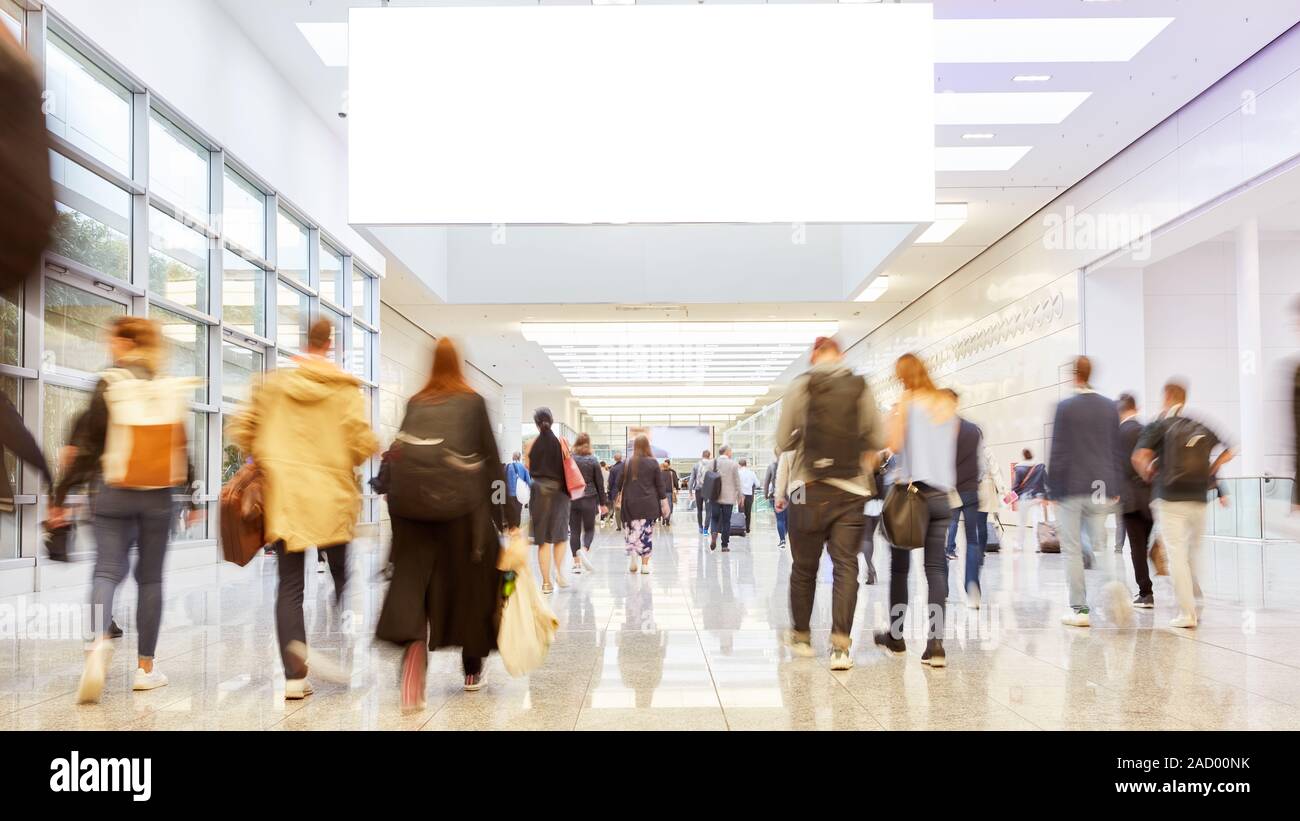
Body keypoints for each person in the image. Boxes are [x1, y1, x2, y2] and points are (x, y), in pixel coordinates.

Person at [48, 317, 202, 703]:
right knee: (150, 580)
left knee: (106, 570)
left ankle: (99, 643)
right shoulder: (167, 386)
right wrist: (193, 497)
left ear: (125, 342)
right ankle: (146, 669)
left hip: (111, 491)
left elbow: (87, 444)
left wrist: (62, 494)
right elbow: (182, 446)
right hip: (157, 496)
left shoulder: (110, 383)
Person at [228, 318, 378, 699]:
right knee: (344, 578)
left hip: (286, 499)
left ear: (304, 343)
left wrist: (267, 451)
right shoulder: (345, 390)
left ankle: (295, 677)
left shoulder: (273, 386)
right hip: (331, 499)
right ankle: (346, 651)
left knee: (291, 585)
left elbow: (242, 429)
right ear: (330, 345)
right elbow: (361, 444)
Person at [375, 338, 505, 705]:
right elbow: (492, 463)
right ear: (459, 365)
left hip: (412, 515)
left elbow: (398, 458)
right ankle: (471, 668)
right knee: (471, 587)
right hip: (462, 514)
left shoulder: (416, 402)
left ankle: (414, 651)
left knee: (415, 585)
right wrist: (505, 516)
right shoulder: (472, 401)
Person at [778, 336, 882, 671]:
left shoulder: (801, 385)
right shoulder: (861, 386)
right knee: (845, 566)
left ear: (813, 357)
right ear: (842, 355)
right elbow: (877, 438)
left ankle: (802, 636)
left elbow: (782, 442)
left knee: (803, 567)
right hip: (852, 490)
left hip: (805, 488)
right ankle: (840, 647)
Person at [871, 353, 953, 667]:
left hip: (910, 497)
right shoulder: (945, 404)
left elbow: (892, 444)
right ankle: (936, 645)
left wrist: (892, 419)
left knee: (900, 569)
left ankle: (896, 636)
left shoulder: (908, 401)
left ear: (904, 377)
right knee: (935, 570)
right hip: (942, 498)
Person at [1132, 380, 1235, 628]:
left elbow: (1138, 456)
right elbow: (1231, 449)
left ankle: (1186, 613)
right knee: (1193, 554)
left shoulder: (1160, 424)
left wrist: (1148, 473)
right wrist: (1212, 468)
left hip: (1169, 498)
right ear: (1184, 398)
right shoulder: (1200, 424)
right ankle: (1196, 604)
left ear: (1167, 397)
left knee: (1176, 555)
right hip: (1198, 497)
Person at [1046, 356, 1130, 629]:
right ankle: (1114, 585)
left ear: (1075, 376)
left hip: (1071, 487)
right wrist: (1116, 486)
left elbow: (1058, 451)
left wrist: (1052, 489)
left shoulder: (1065, 408)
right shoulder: (1109, 408)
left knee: (1071, 549)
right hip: (1101, 486)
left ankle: (1080, 610)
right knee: (1101, 544)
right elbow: (1115, 450)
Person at [942, 389, 989, 604]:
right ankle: (973, 587)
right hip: (970, 490)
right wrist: (975, 481)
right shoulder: (973, 429)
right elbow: (982, 464)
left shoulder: (937, 429)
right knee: (972, 540)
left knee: (942, 538)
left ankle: (941, 587)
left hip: (948, 491)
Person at [524, 407, 571, 594]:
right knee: (560, 536)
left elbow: (528, 467)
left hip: (539, 492)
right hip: (560, 492)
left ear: (536, 424)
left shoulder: (530, 444)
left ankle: (545, 583)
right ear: (551, 421)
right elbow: (568, 465)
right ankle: (559, 572)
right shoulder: (562, 442)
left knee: (543, 540)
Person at [1116, 393, 1155, 608]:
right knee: (1144, 544)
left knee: (1137, 547)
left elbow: (1114, 465)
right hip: (1149, 497)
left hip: (1129, 499)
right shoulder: (1147, 430)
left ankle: (1145, 592)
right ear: (1136, 408)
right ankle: (1146, 586)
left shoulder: (1118, 434)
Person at [620, 434, 667, 574]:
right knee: (646, 533)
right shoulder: (653, 463)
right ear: (647, 446)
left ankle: (633, 556)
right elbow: (660, 486)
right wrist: (665, 503)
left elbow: (618, 483)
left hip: (630, 504)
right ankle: (645, 565)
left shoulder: (627, 463)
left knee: (632, 531)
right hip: (648, 504)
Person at [568, 433, 607, 574]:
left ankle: (576, 564)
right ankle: (584, 550)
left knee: (574, 531)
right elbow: (600, 484)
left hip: (573, 498)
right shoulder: (593, 460)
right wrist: (603, 503)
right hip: (589, 498)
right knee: (589, 529)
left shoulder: (570, 460)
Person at [1010, 448, 1047, 548]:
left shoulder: (1019, 468)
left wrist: (1011, 498)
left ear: (1024, 456)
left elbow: (1016, 486)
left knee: (1021, 522)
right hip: (1037, 497)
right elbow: (1045, 483)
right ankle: (1038, 545)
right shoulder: (1040, 467)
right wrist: (1046, 496)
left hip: (1024, 498)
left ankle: (1020, 545)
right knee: (1036, 521)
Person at [708, 445, 742, 552]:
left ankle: (714, 534)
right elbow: (737, 481)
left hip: (715, 496)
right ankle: (724, 545)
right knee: (726, 521)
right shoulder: (733, 464)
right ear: (727, 452)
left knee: (714, 518)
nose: (731, 453)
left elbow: (704, 478)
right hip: (728, 497)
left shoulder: (712, 463)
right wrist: (740, 496)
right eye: (731, 451)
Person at [763, 447, 788, 548]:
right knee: (787, 519)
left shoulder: (771, 466)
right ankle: (784, 535)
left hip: (777, 496)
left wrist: (765, 494)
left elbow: (766, 482)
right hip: (789, 496)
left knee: (780, 519)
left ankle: (782, 540)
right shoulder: (790, 466)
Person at [504, 451, 531, 532]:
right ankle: (516, 530)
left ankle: (511, 530)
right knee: (518, 513)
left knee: (511, 513)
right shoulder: (523, 467)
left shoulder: (507, 467)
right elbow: (529, 482)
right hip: (520, 494)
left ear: (512, 457)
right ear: (519, 458)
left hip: (509, 494)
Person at [689, 449, 712, 534]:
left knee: (699, 510)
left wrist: (690, 491)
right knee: (709, 510)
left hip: (698, 490)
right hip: (708, 490)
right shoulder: (712, 465)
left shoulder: (696, 465)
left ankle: (700, 527)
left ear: (702, 455)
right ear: (709, 456)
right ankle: (706, 529)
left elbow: (691, 479)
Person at [737, 457, 759, 534]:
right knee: (748, 512)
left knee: (741, 512)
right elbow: (758, 484)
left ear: (739, 465)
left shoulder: (738, 473)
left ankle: (741, 528)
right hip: (749, 495)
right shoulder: (751, 473)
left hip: (740, 495)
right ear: (746, 464)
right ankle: (747, 529)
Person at [608, 451, 626, 531]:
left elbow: (610, 482)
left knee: (618, 509)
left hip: (616, 492)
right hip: (626, 491)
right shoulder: (626, 467)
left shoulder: (613, 469)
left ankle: (619, 526)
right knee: (626, 508)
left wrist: (609, 491)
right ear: (621, 458)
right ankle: (626, 524)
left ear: (614, 459)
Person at [660, 459, 680, 524]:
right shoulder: (672, 472)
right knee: (669, 505)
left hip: (662, 492)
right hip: (669, 491)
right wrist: (677, 488)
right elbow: (675, 482)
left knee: (663, 505)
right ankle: (667, 518)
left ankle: (663, 517)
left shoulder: (660, 473)